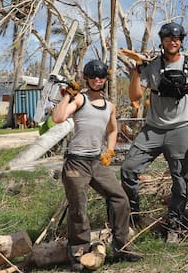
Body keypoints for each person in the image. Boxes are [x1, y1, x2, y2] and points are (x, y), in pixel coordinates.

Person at [120, 22, 188, 243]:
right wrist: (137, 71)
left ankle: (174, 225)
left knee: (180, 180)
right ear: (162, 40)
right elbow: (135, 97)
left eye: (177, 38)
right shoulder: (152, 66)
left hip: (181, 129)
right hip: (153, 130)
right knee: (129, 169)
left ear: (181, 41)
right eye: (168, 38)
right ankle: (134, 216)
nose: (173, 41)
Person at [52, 60, 142, 271]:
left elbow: (112, 130)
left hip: (95, 161)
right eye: (93, 77)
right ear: (87, 78)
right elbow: (58, 118)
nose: (97, 80)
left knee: (120, 198)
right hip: (76, 162)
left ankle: (122, 246)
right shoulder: (80, 99)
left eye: (101, 77)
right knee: (78, 207)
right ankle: (78, 251)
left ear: (105, 79)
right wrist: (67, 95)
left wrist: (109, 151)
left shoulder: (109, 105)